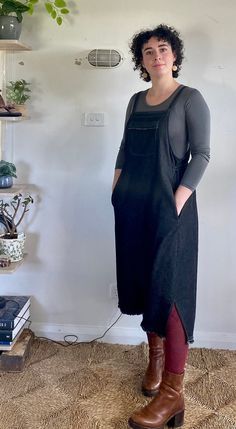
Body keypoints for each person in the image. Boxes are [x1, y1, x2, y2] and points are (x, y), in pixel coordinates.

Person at [111, 24, 210, 429]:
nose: (156, 56)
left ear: (174, 56)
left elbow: (201, 155)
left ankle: (173, 392)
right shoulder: (135, 101)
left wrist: (177, 200)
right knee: (141, 282)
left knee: (170, 291)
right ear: (141, 61)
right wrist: (115, 189)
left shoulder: (190, 99)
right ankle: (154, 359)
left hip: (172, 209)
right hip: (132, 207)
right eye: (148, 51)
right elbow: (123, 148)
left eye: (163, 49)